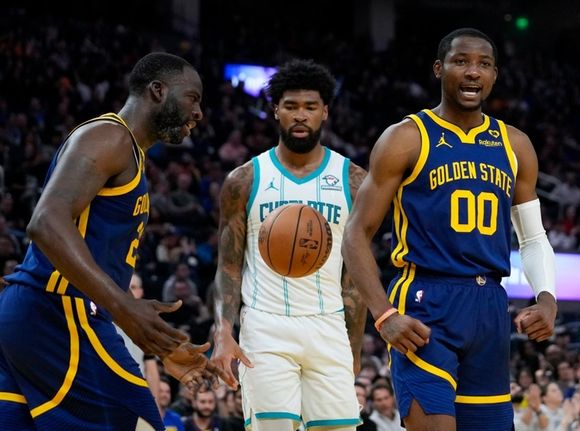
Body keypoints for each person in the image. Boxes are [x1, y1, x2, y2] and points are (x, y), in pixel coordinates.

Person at [341, 27, 557, 430]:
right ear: (439, 69)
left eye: (484, 64)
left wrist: (547, 298)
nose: (473, 72)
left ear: (495, 75)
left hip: (490, 304)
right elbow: (355, 234)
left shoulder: (515, 145)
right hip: (426, 299)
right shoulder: (405, 138)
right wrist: (384, 314)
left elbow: (532, 237)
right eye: (461, 62)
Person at [0, 52, 223, 430]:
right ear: (157, 90)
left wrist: (156, 340)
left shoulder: (129, 152)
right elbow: (46, 220)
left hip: (37, 317)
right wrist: (123, 307)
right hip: (57, 313)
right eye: (193, 97)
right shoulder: (110, 136)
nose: (200, 112)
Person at [211, 59, 367, 430]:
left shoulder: (355, 181)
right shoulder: (244, 180)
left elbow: (355, 275)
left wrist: (354, 348)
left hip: (328, 326)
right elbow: (229, 266)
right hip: (265, 325)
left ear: (325, 112)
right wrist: (223, 332)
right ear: (275, 111)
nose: (301, 116)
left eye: (310, 107)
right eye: (291, 106)